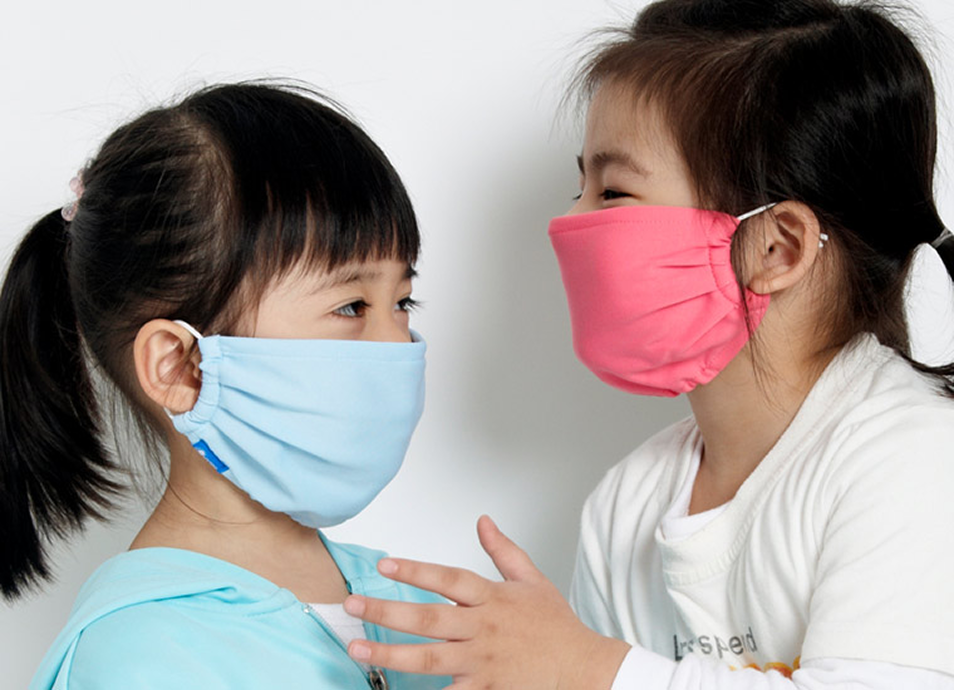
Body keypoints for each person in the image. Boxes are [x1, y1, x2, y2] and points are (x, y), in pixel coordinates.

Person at [339, 1, 954, 688]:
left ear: (776, 249)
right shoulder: (627, 503)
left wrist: (584, 667)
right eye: (580, 184)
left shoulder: (918, 455)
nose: (570, 219)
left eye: (612, 192)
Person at [2, 82, 449, 690]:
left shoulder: (420, 607)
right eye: (351, 306)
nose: (399, 346)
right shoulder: (136, 658)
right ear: (182, 366)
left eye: (403, 302)